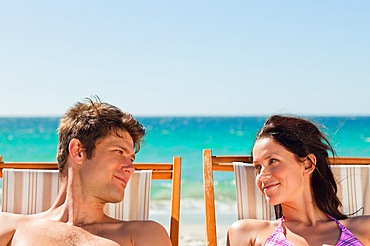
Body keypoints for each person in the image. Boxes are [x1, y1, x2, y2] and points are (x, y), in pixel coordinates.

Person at [0, 97, 172, 246]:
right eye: (119, 152)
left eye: (131, 159)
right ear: (78, 151)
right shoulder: (11, 226)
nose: (131, 168)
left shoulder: (143, 234)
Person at [227, 115, 370, 246]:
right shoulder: (247, 233)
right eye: (258, 167)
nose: (262, 176)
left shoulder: (363, 228)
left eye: (273, 161)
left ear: (308, 164)